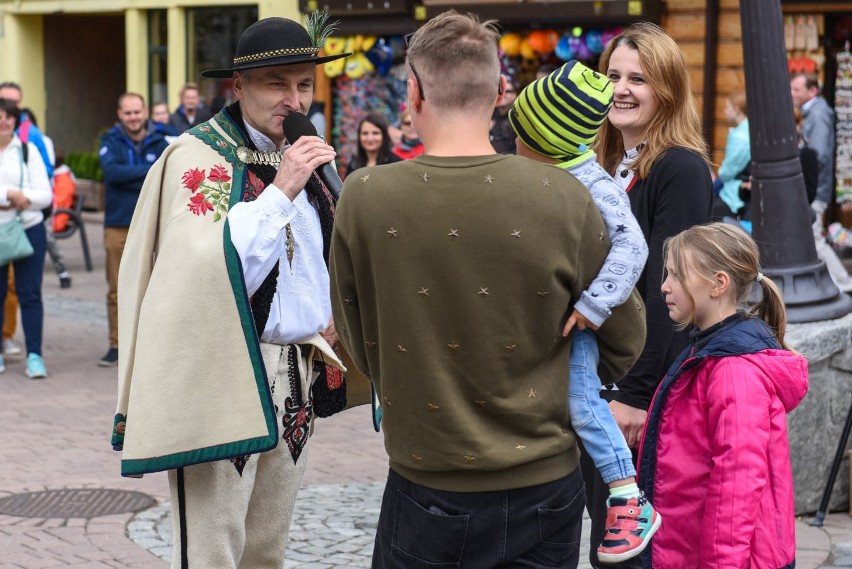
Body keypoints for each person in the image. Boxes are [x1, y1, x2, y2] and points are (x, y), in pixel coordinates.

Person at [330, 11, 646, 568]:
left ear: (413, 93)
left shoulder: (364, 194)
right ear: (502, 91)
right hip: (545, 481)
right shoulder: (564, 195)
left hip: (427, 473)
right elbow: (624, 335)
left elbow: (357, 338)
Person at [112, 16, 348, 568]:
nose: (294, 99)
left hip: (295, 370)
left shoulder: (303, 151)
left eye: (304, 84)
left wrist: (334, 311)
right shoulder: (198, 157)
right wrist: (281, 190)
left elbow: (318, 253)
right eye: (277, 83)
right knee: (214, 545)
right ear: (238, 88)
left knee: (268, 542)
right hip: (221, 371)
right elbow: (201, 269)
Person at [509, 60, 657, 563]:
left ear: (549, 140)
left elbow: (632, 246)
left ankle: (627, 497)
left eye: (521, 138)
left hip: (580, 321)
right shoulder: (546, 172)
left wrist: (595, 306)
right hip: (550, 317)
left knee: (581, 402)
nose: (513, 147)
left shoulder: (591, 183)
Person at [585, 22, 713, 568]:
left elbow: (673, 289)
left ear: (668, 90)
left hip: (643, 386)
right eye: (613, 74)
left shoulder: (678, 166)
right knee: (608, 535)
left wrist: (636, 394)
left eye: (639, 78)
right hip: (606, 376)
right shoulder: (612, 164)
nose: (621, 88)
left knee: (632, 545)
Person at [640, 222, 806, 569]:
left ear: (718, 284)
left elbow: (737, 485)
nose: (664, 287)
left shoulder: (732, 370)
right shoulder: (706, 350)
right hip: (687, 547)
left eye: (676, 276)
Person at [97, 93, 171, 367]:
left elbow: (165, 175)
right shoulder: (109, 141)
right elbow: (112, 174)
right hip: (118, 224)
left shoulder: (160, 142)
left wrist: (131, 173)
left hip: (153, 225)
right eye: (128, 113)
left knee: (155, 287)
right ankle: (117, 345)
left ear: (145, 112)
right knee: (117, 289)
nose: (133, 117)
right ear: (120, 114)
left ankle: (149, 345)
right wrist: (147, 171)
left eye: (137, 112)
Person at [0, 82, 55, 357]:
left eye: (10, 115)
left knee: (30, 294)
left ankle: (35, 355)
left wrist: (22, 198)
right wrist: (9, 193)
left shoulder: (28, 149)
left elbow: (45, 194)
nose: (4, 121)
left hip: (28, 227)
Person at [21, 107, 72, 289]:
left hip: (40, 198)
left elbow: (48, 168)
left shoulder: (42, 141)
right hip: (19, 202)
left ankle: (62, 271)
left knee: (47, 236)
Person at [712, 92, 749, 220]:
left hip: (732, 194)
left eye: (727, 107)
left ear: (737, 109)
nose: (724, 111)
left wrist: (720, 173)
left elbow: (729, 170)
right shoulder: (751, 130)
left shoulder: (739, 135)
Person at [345, 112, 400, 177]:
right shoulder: (353, 165)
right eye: (365, 133)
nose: (370, 138)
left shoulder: (395, 164)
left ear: (384, 136)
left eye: (375, 133)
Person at [488, 76, 517, 154]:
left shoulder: (518, 118)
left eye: (507, 91)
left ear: (514, 95)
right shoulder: (489, 114)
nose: (503, 94)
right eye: (500, 91)